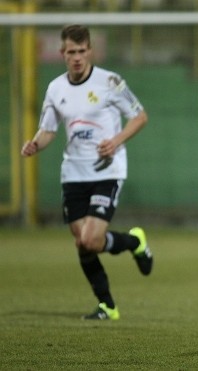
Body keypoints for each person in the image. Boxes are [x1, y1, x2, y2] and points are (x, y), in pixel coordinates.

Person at [20, 24, 152, 320]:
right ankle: (108, 303)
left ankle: (133, 244)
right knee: (83, 243)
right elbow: (48, 130)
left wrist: (116, 141)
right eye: (71, 52)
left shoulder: (111, 82)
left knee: (91, 240)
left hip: (107, 170)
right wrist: (34, 145)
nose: (77, 57)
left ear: (89, 50)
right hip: (73, 174)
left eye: (81, 51)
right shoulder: (55, 88)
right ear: (62, 53)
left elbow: (140, 116)